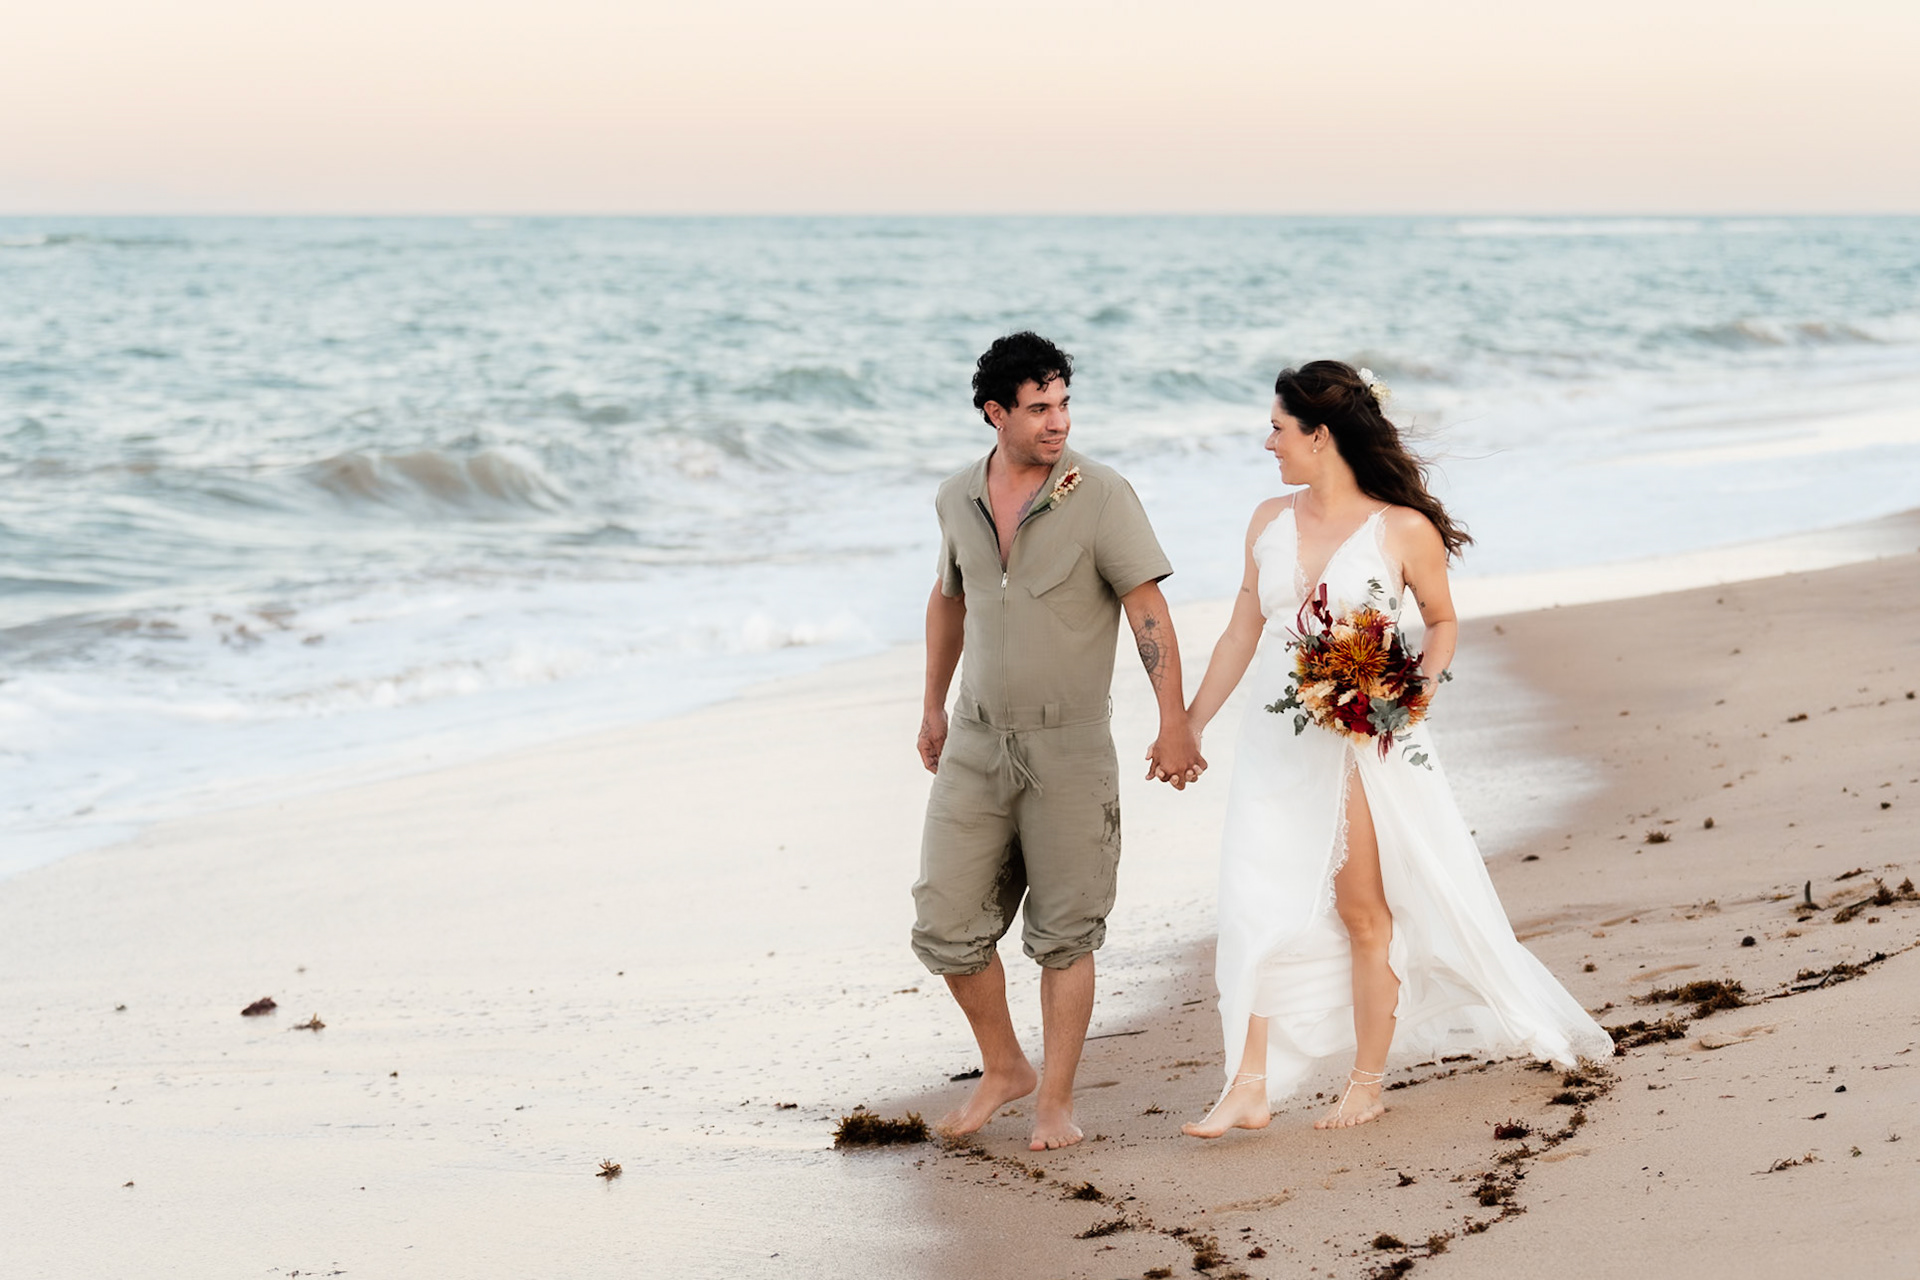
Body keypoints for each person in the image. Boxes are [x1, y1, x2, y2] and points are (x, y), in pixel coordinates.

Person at [1177, 360, 1612, 1139]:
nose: (1266, 440)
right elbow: (1244, 630)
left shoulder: (1400, 529)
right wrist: (1189, 722)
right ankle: (1248, 1084)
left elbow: (1442, 621)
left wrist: (1413, 690)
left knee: (1361, 910)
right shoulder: (1266, 521)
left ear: (1321, 436)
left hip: (1362, 739)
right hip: (1277, 739)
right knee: (1254, 897)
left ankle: (1367, 1082)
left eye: (1278, 428)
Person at [913, 331, 1205, 1152]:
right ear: (994, 413)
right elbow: (948, 602)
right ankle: (1005, 1067)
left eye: (1064, 403)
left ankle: (1056, 1106)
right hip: (974, 742)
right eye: (1038, 408)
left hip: (1070, 749)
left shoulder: (1102, 494)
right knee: (945, 920)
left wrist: (1172, 718)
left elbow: (1146, 607)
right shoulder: (956, 498)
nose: (1057, 422)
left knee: (1066, 931)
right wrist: (932, 708)